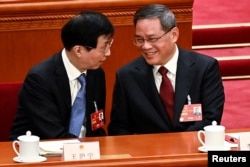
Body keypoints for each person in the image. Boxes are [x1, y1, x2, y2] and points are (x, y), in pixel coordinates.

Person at [108, 4, 224, 135]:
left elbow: (211, 120)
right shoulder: (127, 76)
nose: (145, 46)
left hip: (193, 149)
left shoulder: (204, 68)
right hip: (148, 152)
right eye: (139, 39)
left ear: (174, 35)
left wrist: (176, 146)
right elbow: (119, 129)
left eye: (152, 39)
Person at [9, 10, 114, 140]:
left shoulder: (96, 73)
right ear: (78, 50)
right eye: (104, 47)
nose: (108, 53)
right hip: (41, 152)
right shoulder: (40, 79)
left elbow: (96, 125)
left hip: (83, 151)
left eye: (110, 44)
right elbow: (52, 134)